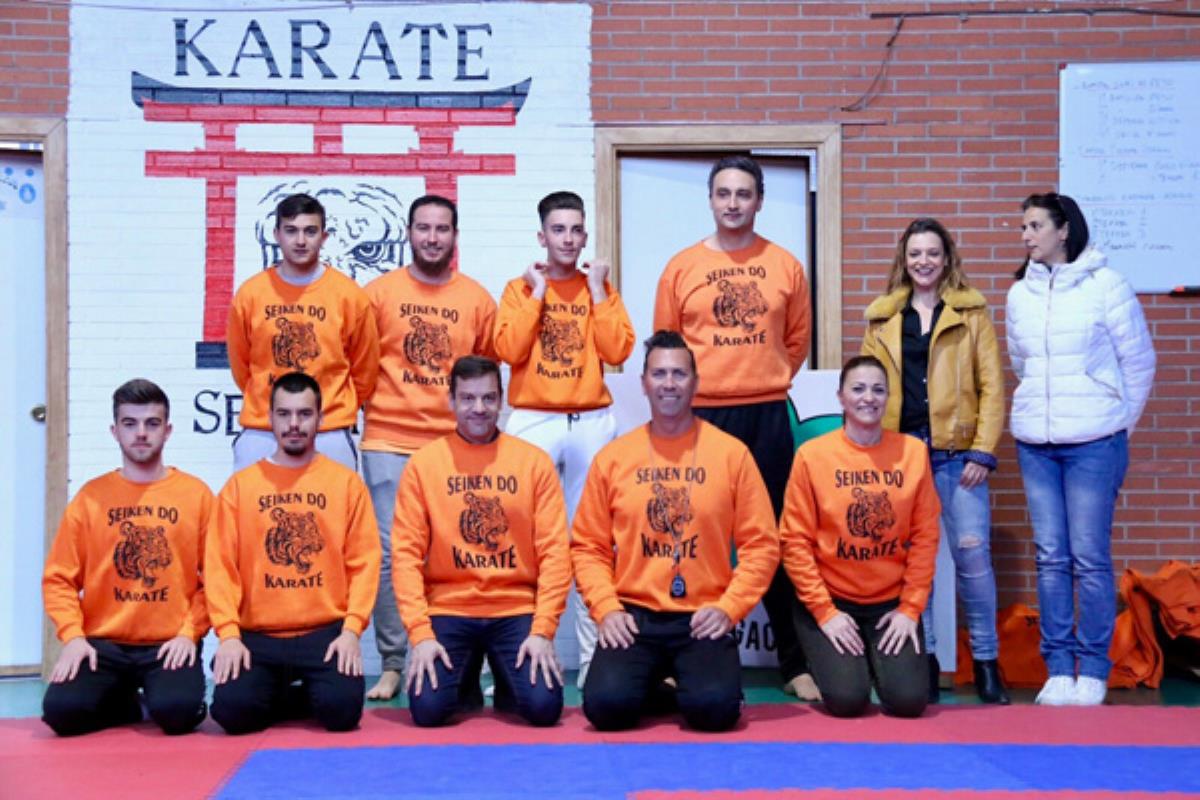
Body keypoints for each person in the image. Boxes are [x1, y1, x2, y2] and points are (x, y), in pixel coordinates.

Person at [653, 155, 817, 700]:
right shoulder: (681, 267)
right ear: (710, 199)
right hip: (702, 418)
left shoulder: (786, 265)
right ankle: (682, 656)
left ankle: (794, 663)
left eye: (743, 194)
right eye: (723, 193)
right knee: (690, 533)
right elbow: (668, 348)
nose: (732, 203)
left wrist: (762, 378)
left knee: (771, 535)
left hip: (767, 414)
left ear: (759, 200)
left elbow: (796, 342)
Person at [571, 331, 779, 732]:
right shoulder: (614, 458)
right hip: (635, 615)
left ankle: (695, 682)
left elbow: (762, 546)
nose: (669, 383)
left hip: (703, 615)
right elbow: (588, 547)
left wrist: (729, 608)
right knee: (605, 709)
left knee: (715, 713)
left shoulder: (731, 454)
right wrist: (607, 609)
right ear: (644, 383)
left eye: (679, 374)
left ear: (696, 382)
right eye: (660, 374)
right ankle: (659, 681)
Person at [1007, 192, 1155, 706]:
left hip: (1096, 441)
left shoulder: (1106, 285)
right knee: (1051, 558)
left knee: (1089, 557)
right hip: (1036, 444)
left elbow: (1139, 364)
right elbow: (1021, 363)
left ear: (1063, 229)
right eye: (1023, 227)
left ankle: (1092, 667)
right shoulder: (1019, 293)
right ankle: (1058, 668)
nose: (1026, 236)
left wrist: (1117, 425)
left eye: (1034, 226)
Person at [861, 218, 1008, 704]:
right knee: (909, 563)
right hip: (903, 456)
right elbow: (869, 388)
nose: (924, 262)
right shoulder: (882, 319)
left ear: (948, 259)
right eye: (915, 254)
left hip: (958, 457)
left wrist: (983, 451)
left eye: (933, 253)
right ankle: (920, 662)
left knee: (972, 558)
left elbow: (992, 386)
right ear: (904, 260)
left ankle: (987, 663)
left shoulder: (972, 314)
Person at [493, 190, 635, 688]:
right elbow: (507, 348)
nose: (568, 239)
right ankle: (526, 659)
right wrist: (535, 294)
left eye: (576, 230)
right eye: (559, 230)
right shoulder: (519, 288)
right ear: (542, 236)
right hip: (533, 416)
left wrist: (597, 291)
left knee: (591, 540)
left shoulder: (600, 286)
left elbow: (617, 348)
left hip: (590, 417)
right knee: (522, 540)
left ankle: (596, 661)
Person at [360, 194, 498, 701]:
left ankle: (462, 658)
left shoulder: (478, 299)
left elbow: (483, 378)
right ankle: (397, 660)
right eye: (424, 228)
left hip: (454, 444)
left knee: (460, 548)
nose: (433, 237)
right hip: (388, 439)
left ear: (455, 236)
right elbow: (359, 366)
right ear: (410, 232)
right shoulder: (377, 294)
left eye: (442, 229)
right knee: (395, 555)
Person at [391, 356, 571, 727]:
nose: (479, 408)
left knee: (543, 709)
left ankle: (508, 683)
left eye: (489, 398)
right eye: (468, 398)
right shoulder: (424, 465)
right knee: (427, 711)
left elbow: (554, 552)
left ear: (501, 400)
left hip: (515, 607)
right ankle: (465, 681)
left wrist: (543, 631)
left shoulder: (533, 463)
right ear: (451, 401)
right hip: (449, 608)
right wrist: (420, 634)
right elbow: (406, 556)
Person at [206, 372, 381, 734]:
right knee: (232, 713)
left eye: (304, 414)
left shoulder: (346, 484)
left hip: (325, 632)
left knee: (343, 713)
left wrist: (351, 631)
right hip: (258, 634)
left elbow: (365, 563)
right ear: (269, 419)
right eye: (284, 414)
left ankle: (296, 694)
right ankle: (285, 694)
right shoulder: (241, 487)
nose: (294, 424)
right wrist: (228, 635)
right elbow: (220, 566)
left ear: (320, 418)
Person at [41, 379, 210, 736]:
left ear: (168, 431)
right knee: (61, 714)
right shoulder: (90, 499)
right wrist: (73, 637)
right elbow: (59, 579)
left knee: (177, 714)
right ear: (115, 431)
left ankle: (160, 695)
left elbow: (218, 578)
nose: (141, 434)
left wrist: (189, 634)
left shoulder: (195, 495)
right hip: (102, 643)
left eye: (152, 423)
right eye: (130, 424)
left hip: (169, 641)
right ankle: (126, 703)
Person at [779, 356, 941, 719]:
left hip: (889, 604)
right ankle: (842, 660)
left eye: (878, 390)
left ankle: (874, 659)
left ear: (888, 398)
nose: (868, 397)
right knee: (847, 701)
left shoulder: (913, 453)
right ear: (841, 397)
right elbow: (794, 541)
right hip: (831, 599)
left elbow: (925, 536)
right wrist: (824, 612)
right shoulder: (812, 456)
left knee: (909, 702)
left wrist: (910, 609)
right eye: (858, 388)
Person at [226, 192, 380, 471]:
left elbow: (365, 370)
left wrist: (332, 408)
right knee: (252, 514)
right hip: (263, 429)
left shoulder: (349, 295)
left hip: (330, 430)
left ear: (324, 237)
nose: (300, 241)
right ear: (276, 234)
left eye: (310, 231)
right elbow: (242, 367)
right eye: (291, 231)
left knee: (333, 515)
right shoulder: (251, 294)